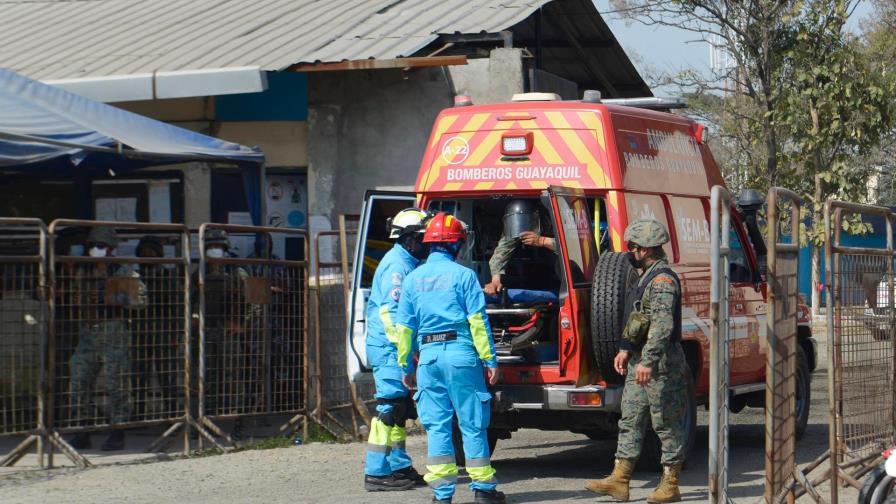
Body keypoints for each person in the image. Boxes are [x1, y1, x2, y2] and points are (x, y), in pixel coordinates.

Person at [396, 212, 506, 504]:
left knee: (437, 427)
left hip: (428, 360)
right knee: (472, 424)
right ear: (456, 244)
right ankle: (483, 490)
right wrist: (490, 361)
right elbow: (478, 322)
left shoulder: (412, 279)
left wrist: (405, 367)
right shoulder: (464, 276)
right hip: (461, 356)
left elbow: (404, 329)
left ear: (429, 243)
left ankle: (442, 495)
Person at [585, 219, 688, 503]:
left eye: (633, 247)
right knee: (630, 418)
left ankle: (670, 484)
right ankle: (620, 479)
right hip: (640, 361)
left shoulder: (663, 281)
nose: (630, 251)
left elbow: (662, 326)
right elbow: (640, 317)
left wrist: (648, 361)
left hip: (660, 365)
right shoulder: (646, 277)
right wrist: (626, 349)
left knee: (666, 423)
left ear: (646, 249)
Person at [363, 208, 430, 492]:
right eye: (423, 237)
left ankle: (398, 465)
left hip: (393, 347)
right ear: (410, 238)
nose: (428, 242)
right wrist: (405, 350)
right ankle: (376, 472)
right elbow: (391, 315)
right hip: (389, 348)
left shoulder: (407, 262)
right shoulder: (397, 267)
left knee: (399, 410)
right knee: (389, 409)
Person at [67, 227, 146, 451]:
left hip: (114, 330)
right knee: (79, 379)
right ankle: (83, 429)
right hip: (88, 331)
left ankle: (118, 430)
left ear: (111, 249)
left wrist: (120, 296)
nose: (95, 249)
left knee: (116, 383)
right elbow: (73, 296)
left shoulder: (123, 270)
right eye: (92, 245)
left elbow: (141, 301)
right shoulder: (84, 270)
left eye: (100, 246)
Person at [132, 235, 180, 418]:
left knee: (167, 375)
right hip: (139, 332)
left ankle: (171, 412)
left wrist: (176, 334)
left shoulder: (168, 276)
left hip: (164, 333)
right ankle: (139, 412)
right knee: (138, 375)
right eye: (143, 252)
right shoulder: (135, 277)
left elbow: (178, 307)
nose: (147, 255)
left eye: (150, 252)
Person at [483, 199, 556, 296]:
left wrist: (543, 241)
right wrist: (495, 280)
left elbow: (569, 248)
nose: (521, 225)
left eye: (525, 220)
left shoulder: (554, 220)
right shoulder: (515, 225)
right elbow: (502, 251)